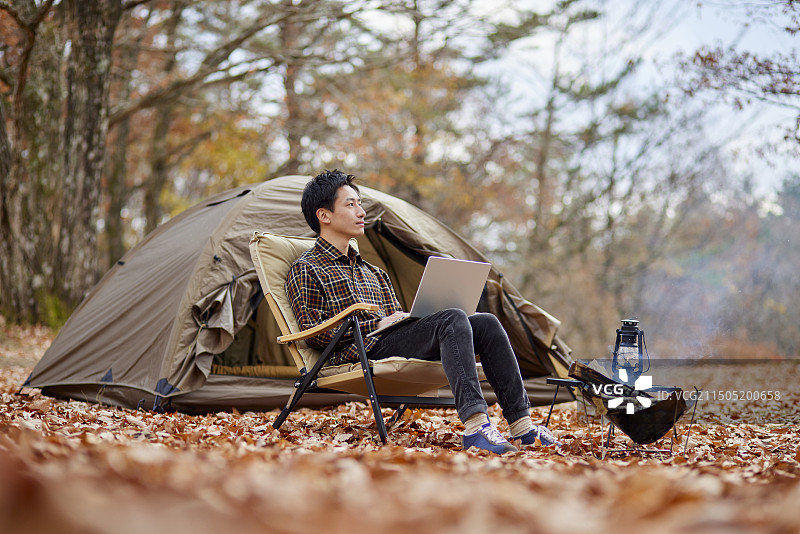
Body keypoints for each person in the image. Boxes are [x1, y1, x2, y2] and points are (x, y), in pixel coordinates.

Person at [285, 169, 559, 454]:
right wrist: (376, 325)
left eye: (360, 203)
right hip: (360, 351)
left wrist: (405, 319)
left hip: (389, 341)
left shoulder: (374, 273)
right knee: (452, 319)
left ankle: (522, 426)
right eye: (350, 204)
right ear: (324, 216)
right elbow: (313, 335)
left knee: (486, 322)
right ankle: (477, 426)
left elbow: (394, 321)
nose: (361, 211)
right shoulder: (306, 268)